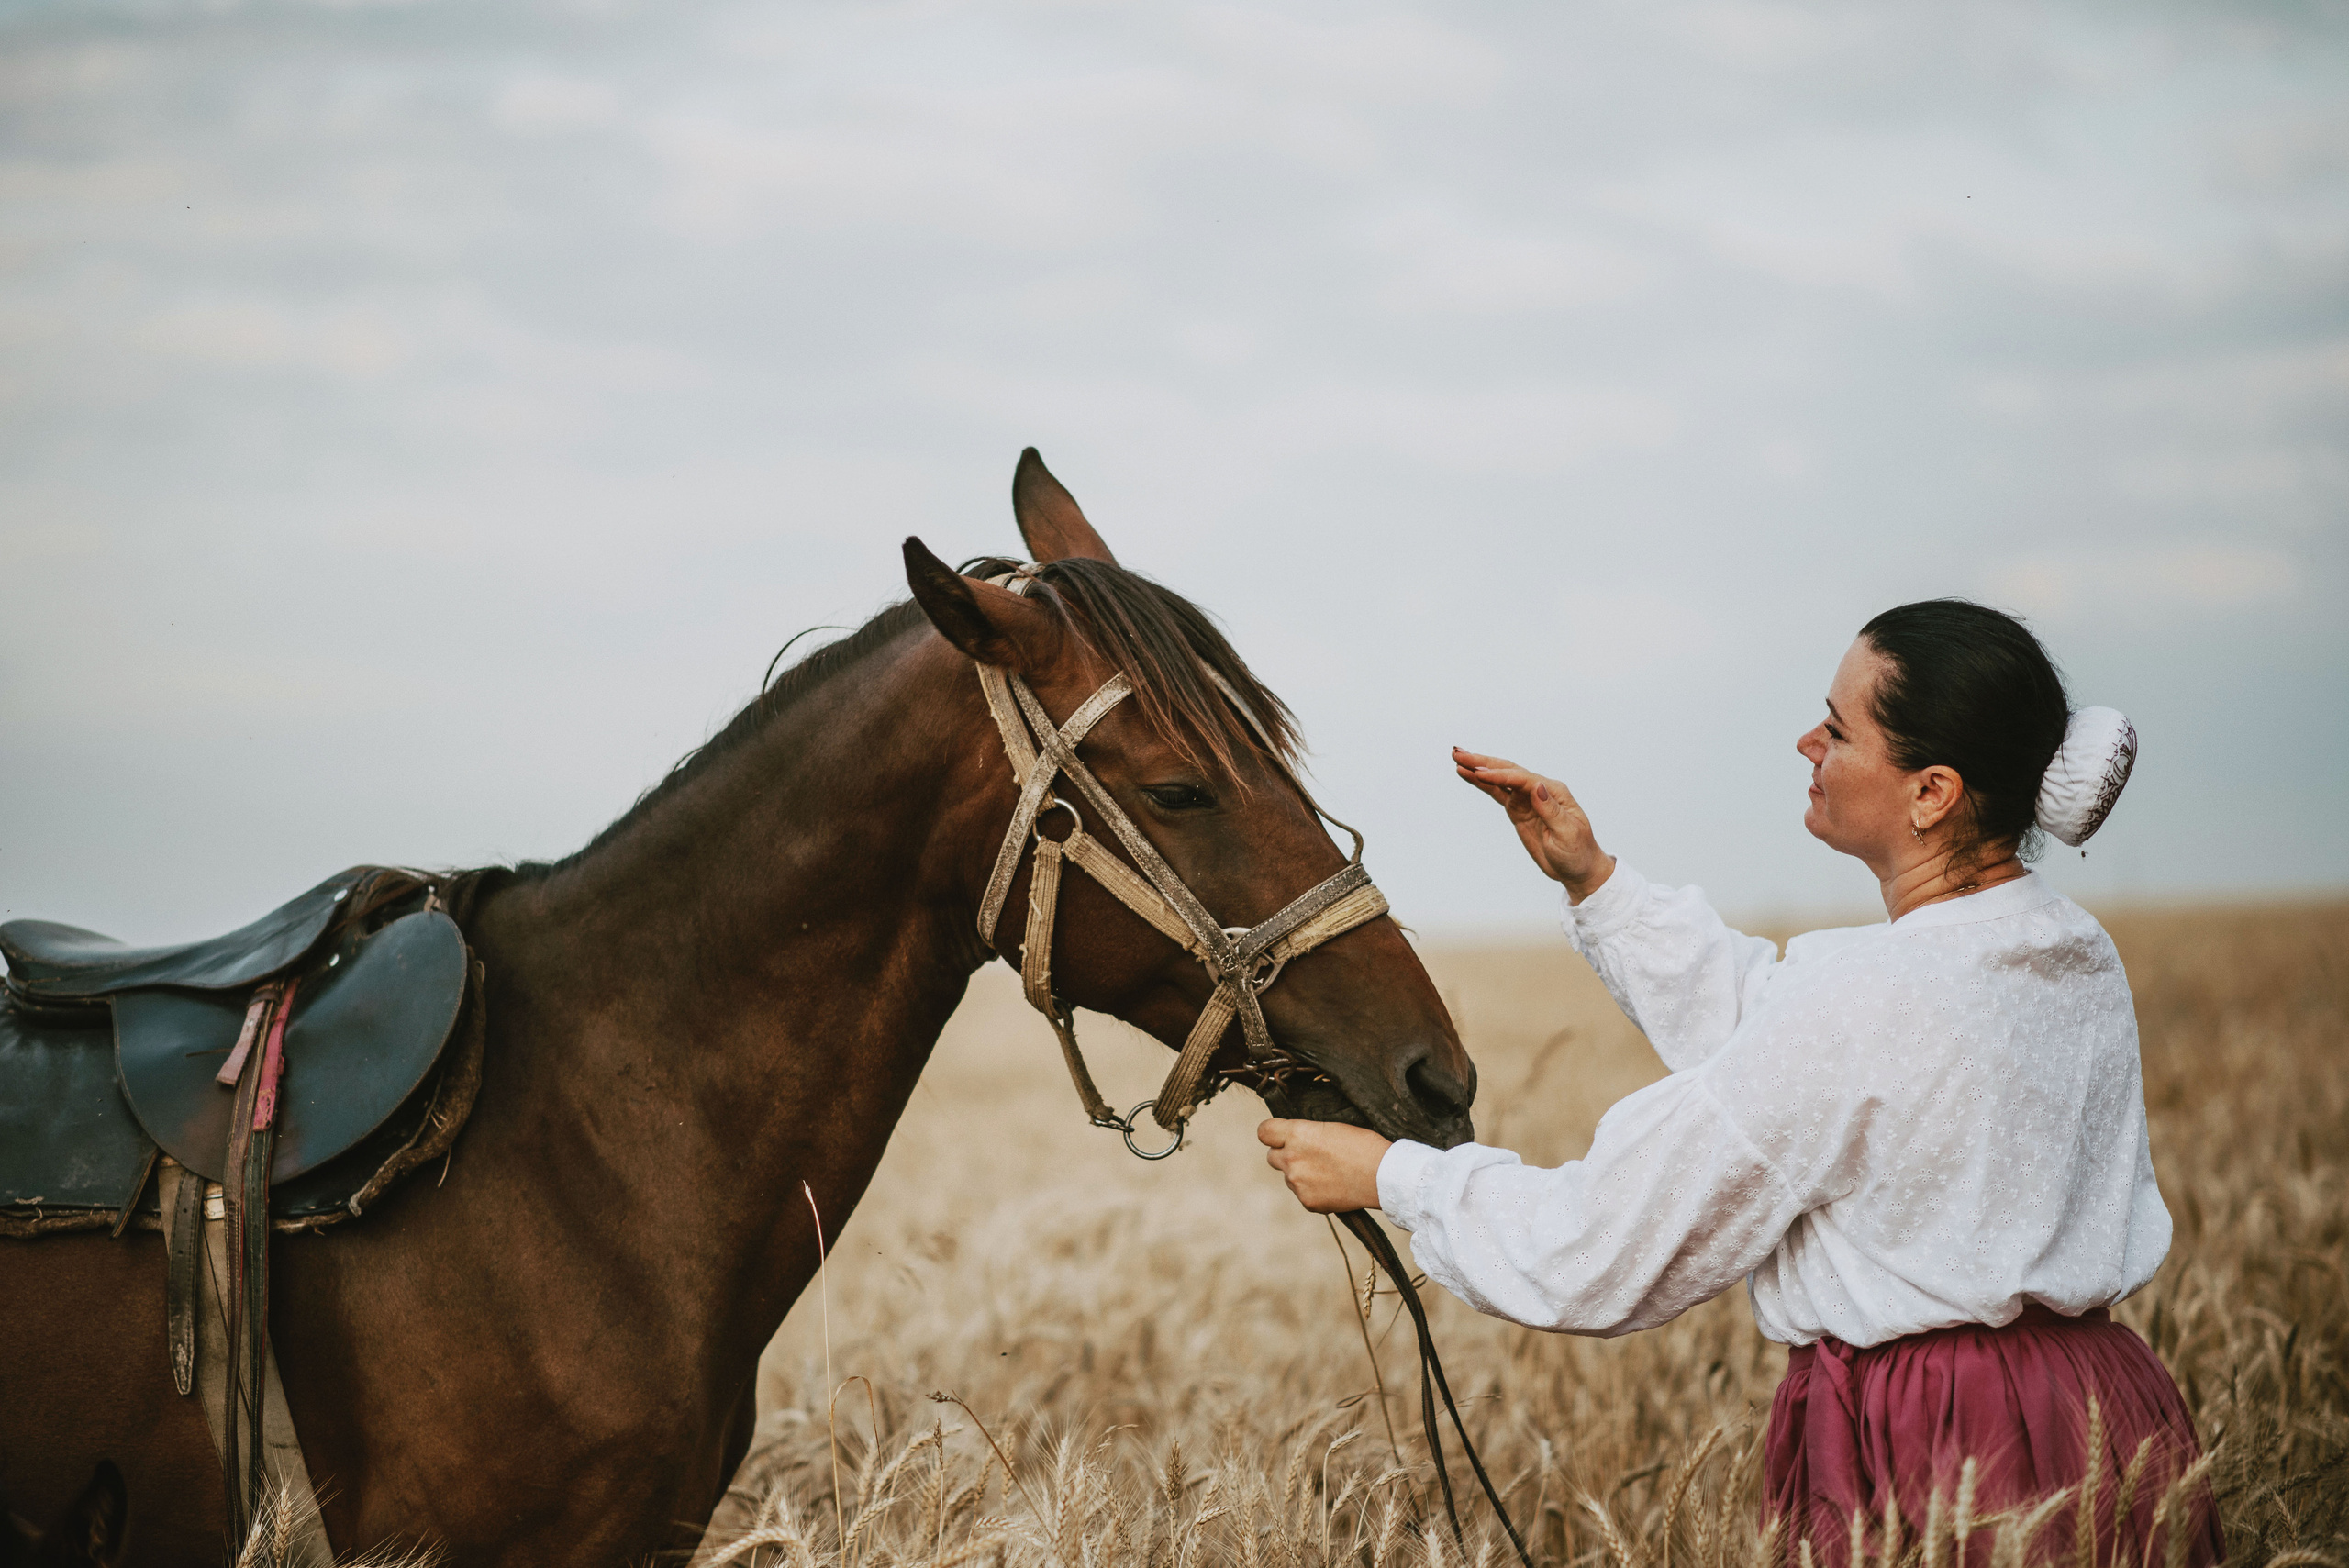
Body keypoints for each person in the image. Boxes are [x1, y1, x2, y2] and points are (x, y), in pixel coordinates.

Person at [1258, 600, 2219, 1567]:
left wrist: (1393, 1175)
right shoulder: (2070, 948)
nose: (1807, 743)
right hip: (2108, 1418)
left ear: (1931, 792)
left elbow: (1601, 1244)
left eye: (1838, 729)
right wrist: (1595, 879)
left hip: (1936, 1443)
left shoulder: (1862, 1003)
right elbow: (1796, 1045)